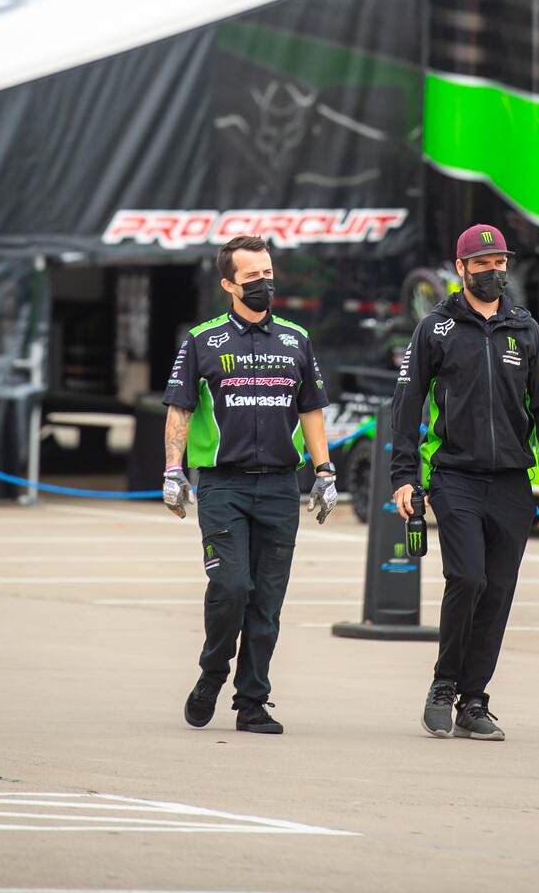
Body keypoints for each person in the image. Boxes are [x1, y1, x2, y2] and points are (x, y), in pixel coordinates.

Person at [391, 223, 539, 741]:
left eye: (500, 263)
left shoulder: (526, 329)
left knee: (498, 591)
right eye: (483, 263)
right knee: (467, 578)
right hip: (454, 476)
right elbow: (407, 406)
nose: (494, 271)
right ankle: (443, 686)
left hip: (513, 482)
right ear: (462, 267)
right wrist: (405, 478)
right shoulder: (435, 329)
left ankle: (475, 700)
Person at [161, 234, 337, 735]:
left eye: (267, 273)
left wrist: (324, 473)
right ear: (228, 284)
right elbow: (179, 409)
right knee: (232, 585)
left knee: (267, 601)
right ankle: (212, 673)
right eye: (251, 276)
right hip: (223, 487)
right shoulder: (202, 340)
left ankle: (253, 701)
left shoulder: (296, 340)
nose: (263, 283)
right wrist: (173, 471)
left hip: (282, 487)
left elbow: (312, 411)